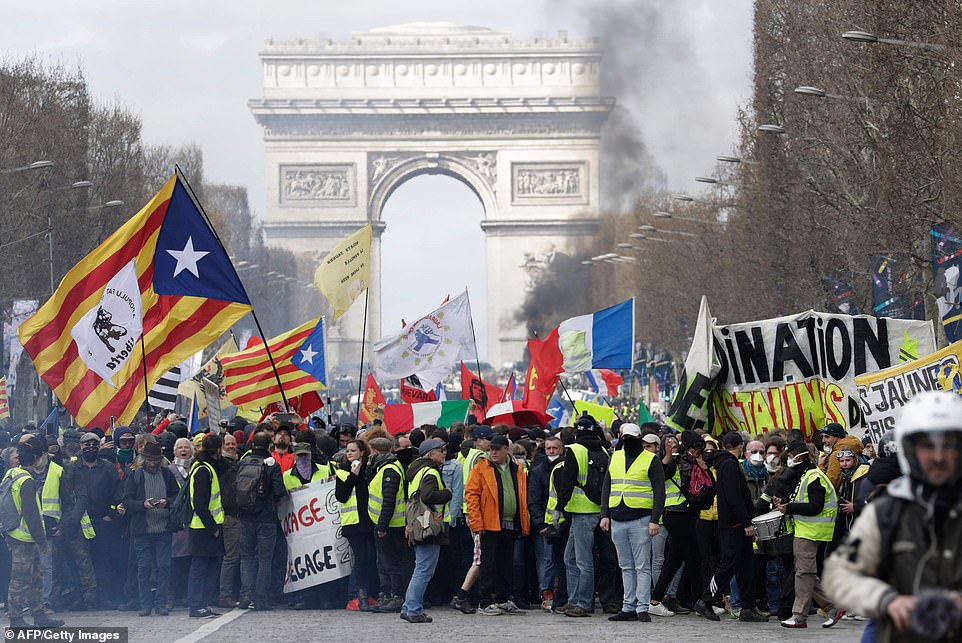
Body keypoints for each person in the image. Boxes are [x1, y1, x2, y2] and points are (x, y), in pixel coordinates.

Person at [824, 391, 962, 643]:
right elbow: (839, 573)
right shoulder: (887, 511)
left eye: (950, 444)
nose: (939, 456)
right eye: (927, 445)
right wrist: (886, 600)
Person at [695, 432, 767, 622]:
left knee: (746, 566)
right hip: (734, 525)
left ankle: (747, 607)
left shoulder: (724, 463)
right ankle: (705, 599)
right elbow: (735, 497)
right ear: (740, 446)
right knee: (728, 564)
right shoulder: (729, 464)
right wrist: (746, 522)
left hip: (734, 523)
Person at [599, 423, 665, 622]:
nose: (626, 442)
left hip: (641, 519)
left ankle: (642, 607)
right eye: (624, 438)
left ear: (639, 439)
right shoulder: (615, 457)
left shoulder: (651, 459)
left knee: (642, 566)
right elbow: (607, 486)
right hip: (618, 517)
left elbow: (659, 491)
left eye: (630, 438)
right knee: (626, 566)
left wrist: (655, 519)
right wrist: (604, 514)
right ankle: (629, 607)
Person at [775, 441, 845, 629]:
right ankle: (833, 607)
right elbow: (805, 500)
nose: (788, 461)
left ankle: (799, 616)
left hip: (811, 532)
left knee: (803, 574)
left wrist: (788, 508)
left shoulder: (813, 476)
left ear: (799, 457)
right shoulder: (807, 475)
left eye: (790, 457)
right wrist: (785, 502)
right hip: (807, 531)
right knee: (806, 574)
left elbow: (815, 506)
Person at [651, 431, 714, 617]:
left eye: (674, 443)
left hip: (684, 513)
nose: (672, 445)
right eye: (668, 443)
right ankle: (702, 602)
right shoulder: (665, 461)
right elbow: (662, 475)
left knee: (675, 560)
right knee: (693, 559)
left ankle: (656, 600)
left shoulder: (686, 460)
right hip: (674, 513)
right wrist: (668, 456)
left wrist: (699, 463)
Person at [465, 434, 529, 615]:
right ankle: (484, 601)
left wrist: (523, 522)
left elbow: (521, 496)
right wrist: (477, 523)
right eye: (491, 449)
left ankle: (502, 598)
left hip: (509, 523)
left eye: (497, 449)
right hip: (489, 523)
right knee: (488, 563)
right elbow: (471, 495)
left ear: (506, 450)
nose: (493, 452)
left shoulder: (517, 468)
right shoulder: (481, 468)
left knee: (506, 563)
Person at [3, 435, 64, 628]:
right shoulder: (27, 481)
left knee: (36, 577)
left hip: (15, 533)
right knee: (20, 580)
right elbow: (31, 515)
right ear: (37, 457)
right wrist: (42, 541)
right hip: (25, 537)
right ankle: (15, 619)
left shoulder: (12, 473)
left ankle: (39, 614)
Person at [553, 415, 609, 618]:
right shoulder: (603, 450)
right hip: (595, 509)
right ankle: (574, 600)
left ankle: (583, 603)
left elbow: (567, 481)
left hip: (581, 510)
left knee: (582, 560)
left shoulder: (575, 450)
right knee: (571, 558)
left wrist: (560, 506)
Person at [400, 439, 453, 623]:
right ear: (430, 454)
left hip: (417, 523)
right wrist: (447, 493)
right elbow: (429, 495)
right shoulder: (430, 471)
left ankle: (408, 607)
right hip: (428, 525)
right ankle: (413, 610)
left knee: (420, 568)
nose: (444, 453)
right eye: (440, 450)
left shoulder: (417, 471)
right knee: (424, 570)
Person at [122, 441, 178, 616]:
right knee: (143, 568)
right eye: (149, 460)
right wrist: (142, 504)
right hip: (143, 530)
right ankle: (145, 604)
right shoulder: (135, 476)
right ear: (143, 460)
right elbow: (127, 500)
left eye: (156, 460)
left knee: (164, 567)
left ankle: (160, 603)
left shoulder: (167, 474)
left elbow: (177, 495)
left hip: (163, 529)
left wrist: (166, 502)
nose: (152, 464)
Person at [238, 431, 286, 611]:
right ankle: (261, 598)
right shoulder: (271, 465)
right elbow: (279, 491)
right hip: (266, 517)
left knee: (246, 557)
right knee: (265, 559)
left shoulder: (242, 462)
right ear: (270, 446)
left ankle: (245, 595)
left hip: (245, 516)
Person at [450, 425, 495, 613]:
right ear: (479, 440)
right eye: (488, 440)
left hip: (470, 510)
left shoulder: (469, 456)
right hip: (477, 512)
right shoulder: (481, 458)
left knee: (480, 556)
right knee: (479, 558)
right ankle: (462, 595)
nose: (492, 443)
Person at [75, 432, 121, 610]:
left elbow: (118, 493)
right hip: (80, 522)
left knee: (103, 560)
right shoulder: (73, 468)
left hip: (103, 521)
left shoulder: (108, 468)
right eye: (87, 445)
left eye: (94, 445)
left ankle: (104, 598)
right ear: (81, 447)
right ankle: (84, 599)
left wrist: (111, 514)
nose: (90, 448)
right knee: (82, 562)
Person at [334, 439, 377, 611]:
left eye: (353, 450)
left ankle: (371, 593)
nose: (349, 453)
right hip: (353, 523)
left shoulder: (369, 470)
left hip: (369, 519)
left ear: (362, 452)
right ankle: (360, 595)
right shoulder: (343, 472)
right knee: (361, 559)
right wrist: (353, 475)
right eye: (347, 451)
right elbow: (341, 496)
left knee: (371, 558)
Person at [367, 437, 408, 613]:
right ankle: (386, 595)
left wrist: (382, 526)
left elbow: (389, 500)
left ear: (375, 452)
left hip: (391, 525)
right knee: (383, 563)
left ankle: (395, 596)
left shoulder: (390, 470)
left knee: (391, 563)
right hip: (387, 523)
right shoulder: (385, 467)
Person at [187, 433, 226, 619]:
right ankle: (196, 605)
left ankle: (203, 603)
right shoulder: (203, 470)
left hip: (206, 526)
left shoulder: (206, 466)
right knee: (200, 568)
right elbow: (200, 505)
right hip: (203, 527)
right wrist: (213, 527)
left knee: (210, 567)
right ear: (218, 449)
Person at [528, 434, 562, 611]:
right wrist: (540, 523)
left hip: (563, 521)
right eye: (548, 448)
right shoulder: (538, 471)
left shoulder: (566, 467)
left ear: (560, 449)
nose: (551, 451)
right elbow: (533, 499)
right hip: (547, 522)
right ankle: (546, 592)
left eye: (554, 448)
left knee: (563, 560)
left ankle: (560, 592)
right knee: (547, 559)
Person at [819, 423, 848, 490]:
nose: (823, 440)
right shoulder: (849, 447)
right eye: (822, 437)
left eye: (827, 437)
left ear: (837, 437)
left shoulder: (836, 455)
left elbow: (828, 484)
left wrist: (821, 465)